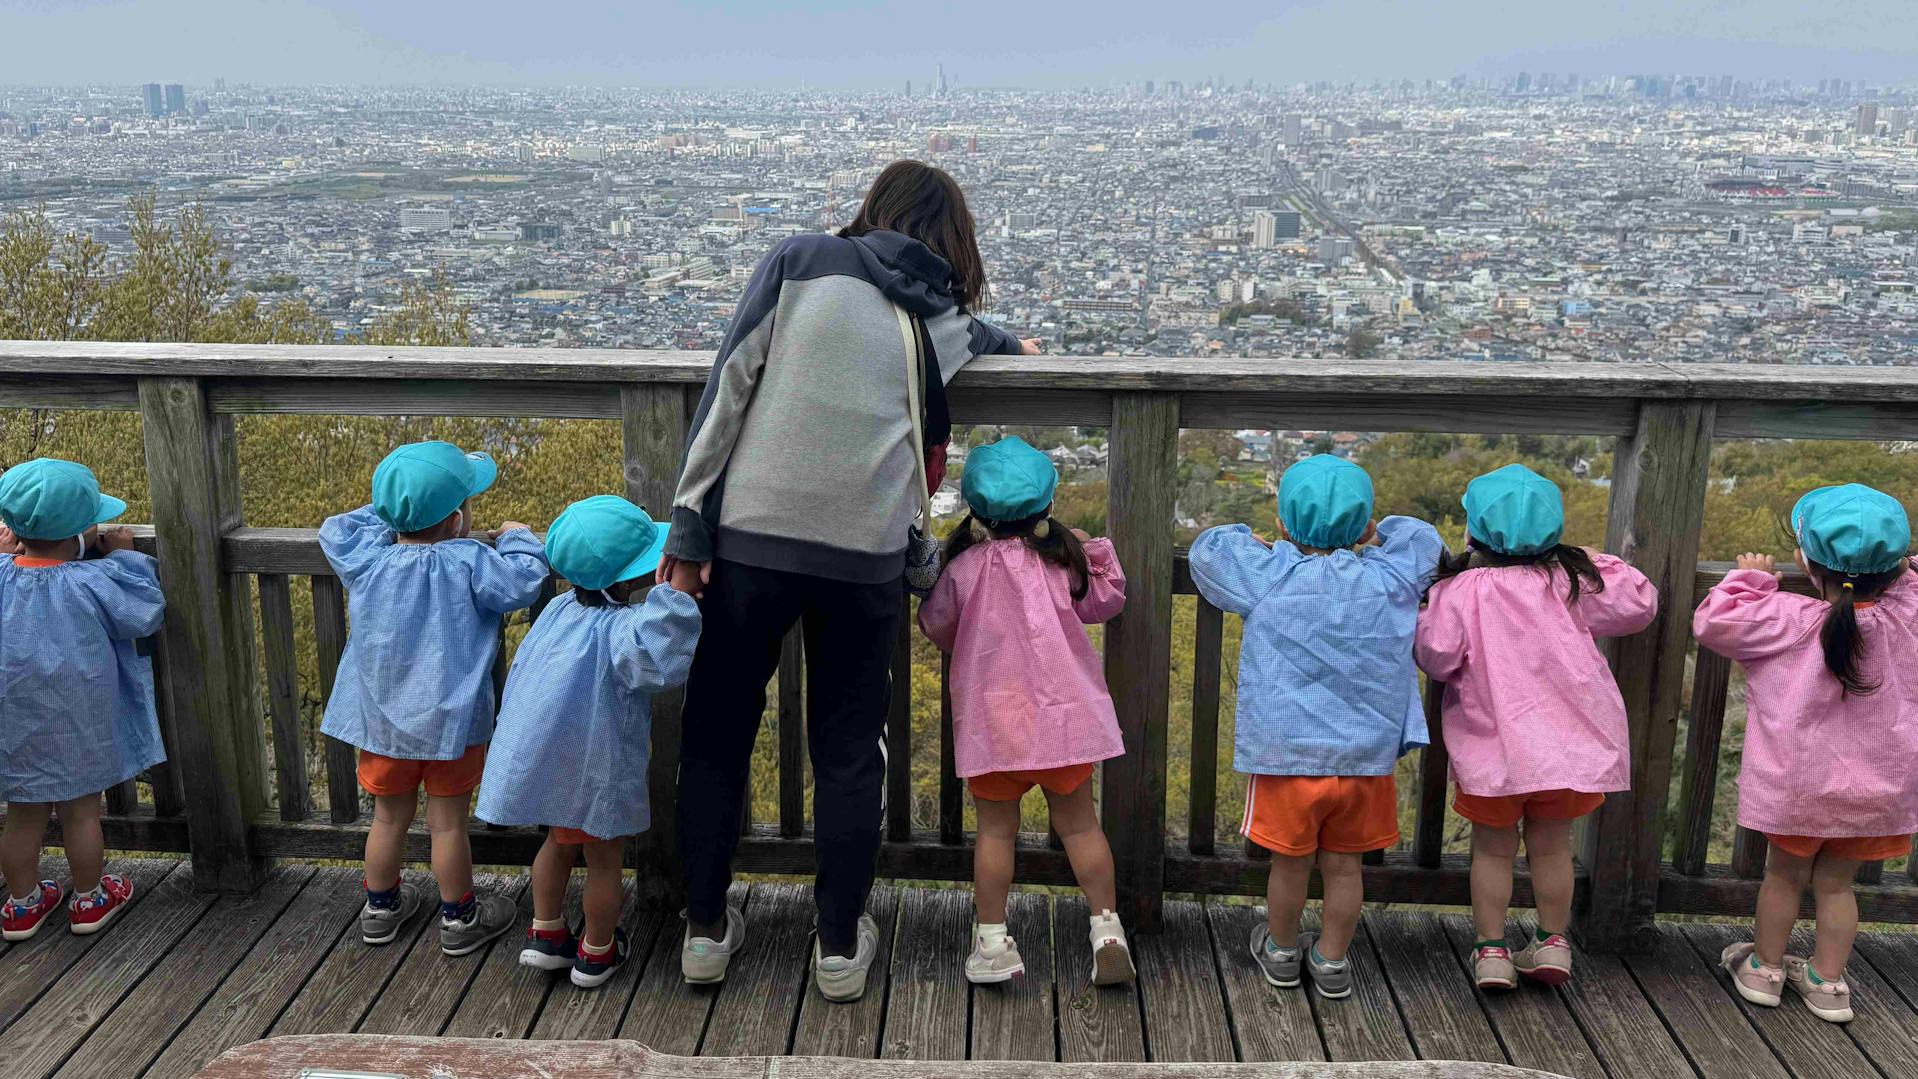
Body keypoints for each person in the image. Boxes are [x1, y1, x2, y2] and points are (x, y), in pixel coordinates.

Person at [661, 159, 1040, 1002]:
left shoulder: (800, 261)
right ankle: (838, 943)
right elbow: (995, 342)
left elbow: (730, 385)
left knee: (717, 732)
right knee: (846, 752)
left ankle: (704, 929)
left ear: (875, 211)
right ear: (956, 246)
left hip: (749, 542)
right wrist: (1012, 344)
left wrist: (689, 517)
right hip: (863, 558)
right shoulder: (944, 319)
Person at [1188, 454, 1443, 1000]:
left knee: (1289, 866)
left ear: (1284, 524)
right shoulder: (1391, 577)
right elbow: (1422, 540)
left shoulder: (1269, 573)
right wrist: (1376, 533)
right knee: (1347, 869)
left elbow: (1209, 550)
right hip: (1365, 759)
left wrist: (1264, 541)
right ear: (1365, 523)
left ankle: (1280, 952)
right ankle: (1331, 961)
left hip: (1287, 758)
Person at [1415, 463, 1656, 990]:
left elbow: (1435, 656)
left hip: (1493, 751)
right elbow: (1639, 602)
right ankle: (1552, 944)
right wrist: (1596, 558)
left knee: (1493, 850)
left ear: (1475, 532)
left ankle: (1491, 950)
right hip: (1569, 753)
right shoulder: (1571, 581)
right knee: (1552, 848)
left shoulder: (1462, 591)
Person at [1696, 483, 1918, 1024]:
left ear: (1804, 559)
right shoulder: (1906, 614)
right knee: (1838, 885)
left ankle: (1766, 971)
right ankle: (1828, 983)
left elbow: (1713, 622)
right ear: (1893, 571)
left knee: (1783, 878)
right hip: (1877, 791)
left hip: (1799, 786)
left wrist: (1750, 576)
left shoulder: (1787, 618)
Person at [916, 436, 1132, 987]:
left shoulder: (963, 570)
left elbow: (937, 626)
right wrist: (1094, 549)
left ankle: (992, 944)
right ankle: (1107, 931)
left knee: (995, 835)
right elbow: (1106, 602)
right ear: (1046, 506)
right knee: (1082, 828)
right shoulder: (1061, 562)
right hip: (1064, 726)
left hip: (993, 730)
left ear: (975, 509)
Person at [320, 440, 549, 957]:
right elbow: (524, 582)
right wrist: (518, 538)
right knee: (447, 824)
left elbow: (337, 528)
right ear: (455, 522)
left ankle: (379, 911)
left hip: (383, 727)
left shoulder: (369, 559)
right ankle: (460, 918)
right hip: (454, 725)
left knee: (387, 819)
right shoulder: (470, 561)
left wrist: (394, 510)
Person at [477, 495, 700, 989]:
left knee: (555, 846)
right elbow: (661, 658)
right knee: (603, 864)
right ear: (627, 580)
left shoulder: (559, 611)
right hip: (596, 768)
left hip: (548, 763)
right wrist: (679, 594)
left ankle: (546, 934)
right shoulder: (622, 629)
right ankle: (597, 951)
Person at [0, 459, 164, 941]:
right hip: (79, 725)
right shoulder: (91, 581)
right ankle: (90, 899)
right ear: (78, 535)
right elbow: (143, 612)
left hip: (14, 724)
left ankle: (22, 905)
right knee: (81, 814)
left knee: (22, 815)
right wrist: (125, 555)